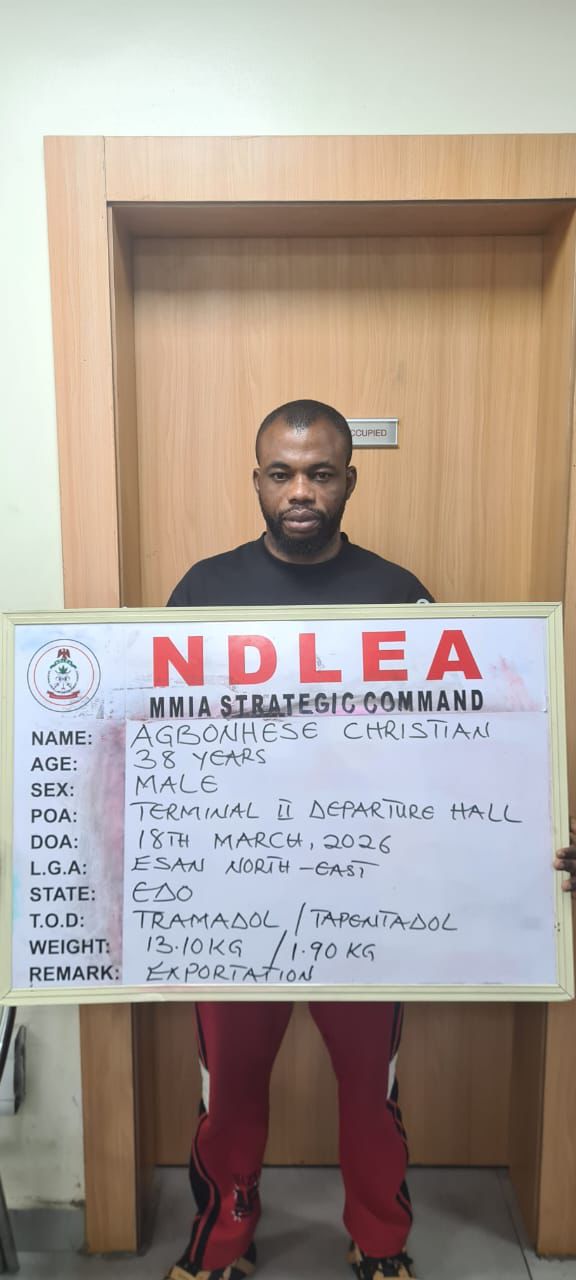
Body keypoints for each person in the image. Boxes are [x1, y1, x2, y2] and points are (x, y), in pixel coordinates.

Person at [165, 399, 576, 1280]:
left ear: (349, 480)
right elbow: (153, 742)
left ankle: (380, 1243)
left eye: (320, 474)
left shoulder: (399, 595)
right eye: (282, 474)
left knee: (369, 1090)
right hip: (236, 900)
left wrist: (531, 839)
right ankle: (221, 1244)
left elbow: (459, 749)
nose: (300, 491)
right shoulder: (202, 591)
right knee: (228, 1093)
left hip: (368, 899)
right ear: (257, 481)